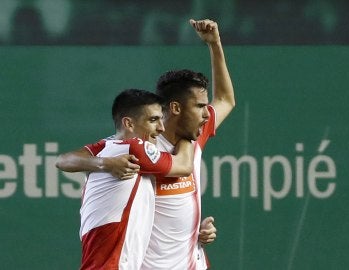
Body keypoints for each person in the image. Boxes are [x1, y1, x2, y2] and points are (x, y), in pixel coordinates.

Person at [57, 18, 235, 269]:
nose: (207, 114)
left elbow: (226, 99)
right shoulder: (138, 146)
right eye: (199, 107)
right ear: (175, 108)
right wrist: (105, 164)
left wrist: (215, 44)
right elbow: (65, 159)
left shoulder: (194, 132)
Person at [56, 89, 195, 270]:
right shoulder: (135, 148)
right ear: (129, 123)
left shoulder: (110, 146)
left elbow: (63, 160)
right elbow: (184, 166)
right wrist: (187, 134)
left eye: (161, 119)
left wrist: (104, 163)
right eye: (153, 120)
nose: (161, 128)